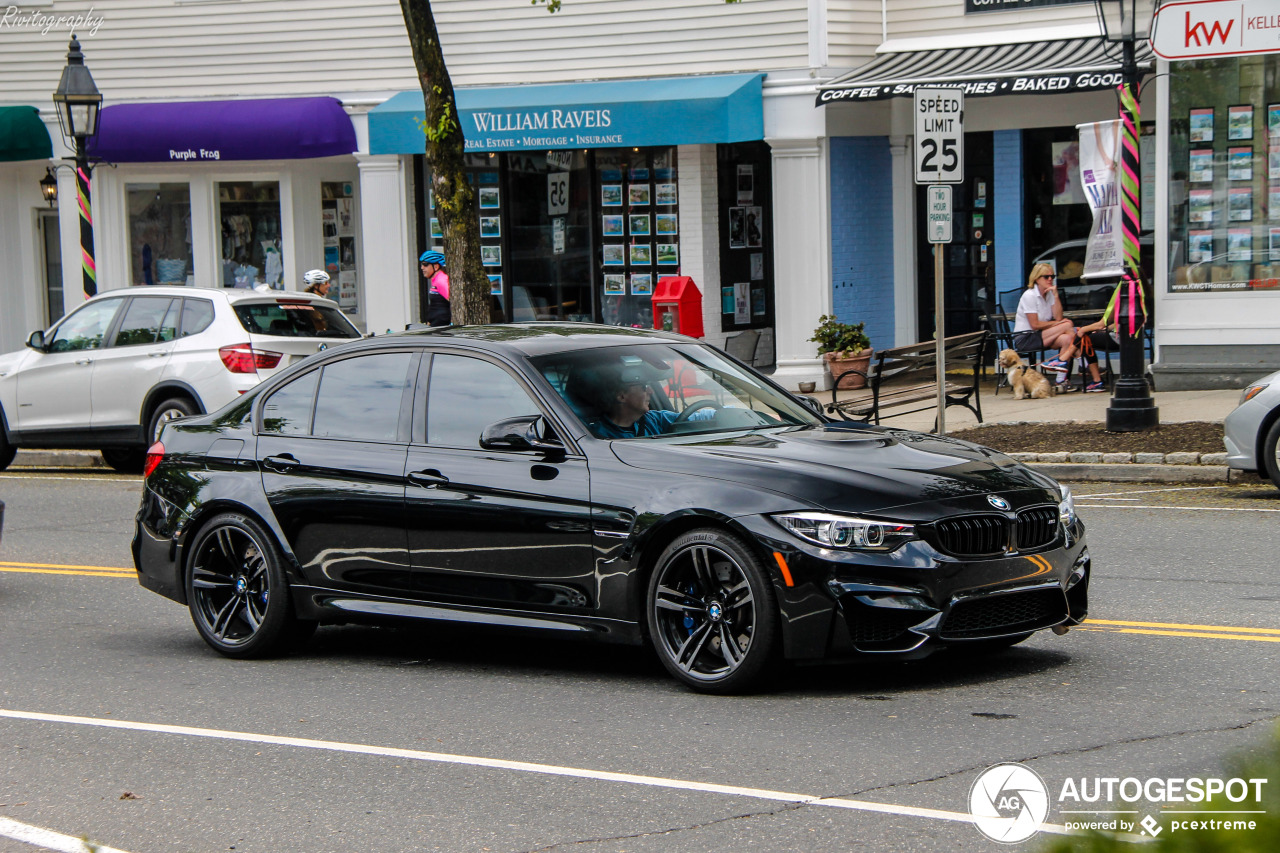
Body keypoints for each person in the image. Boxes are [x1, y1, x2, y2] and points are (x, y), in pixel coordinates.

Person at [582, 362, 713, 439]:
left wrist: (727, 413)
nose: (651, 391)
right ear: (621, 396)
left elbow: (697, 418)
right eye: (644, 387)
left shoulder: (655, 419)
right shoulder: (597, 435)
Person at [1013, 262, 1080, 388]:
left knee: (1067, 338)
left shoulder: (1049, 294)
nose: (1050, 279)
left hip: (1041, 335)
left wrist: (1055, 295)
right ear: (1037, 278)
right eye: (1046, 277)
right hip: (1026, 338)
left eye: (1052, 277)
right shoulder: (1029, 295)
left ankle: (1060, 381)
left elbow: (1059, 317)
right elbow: (1035, 324)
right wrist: (1059, 324)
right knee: (1068, 324)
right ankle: (1082, 360)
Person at [420, 250, 451, 326]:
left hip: (442, 327)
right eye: (421, 265)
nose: (422, 267)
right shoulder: (436, 280)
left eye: (425, 264)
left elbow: (452, 301)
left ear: (436, 266)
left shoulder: (441, 280)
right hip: (436, 325)